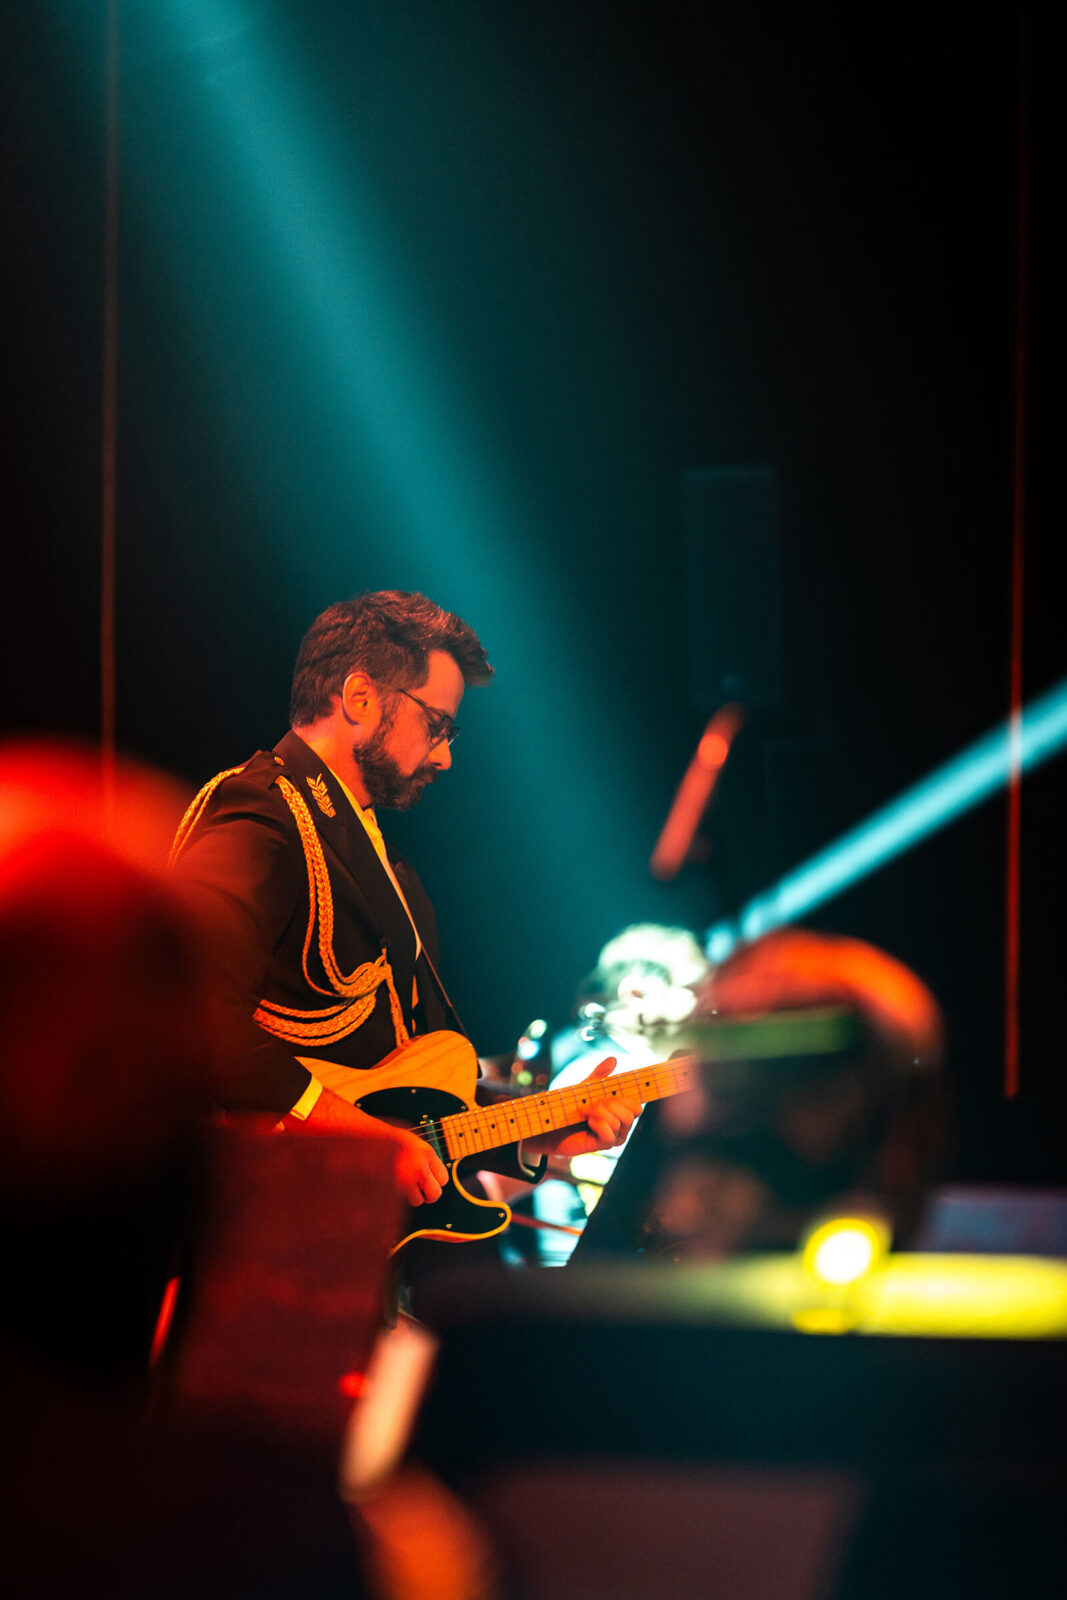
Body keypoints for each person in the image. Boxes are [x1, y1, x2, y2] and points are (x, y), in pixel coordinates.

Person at [171, 591, 636, 1211]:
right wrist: (361, 1136)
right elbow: (192, 1013)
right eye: (437, 725)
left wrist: (542, 1131)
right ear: (360, 698)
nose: (444, 756)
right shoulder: (262, 813)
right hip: (259, 1223)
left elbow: (415, 1104)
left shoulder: (389, 868)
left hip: (351, 1238)